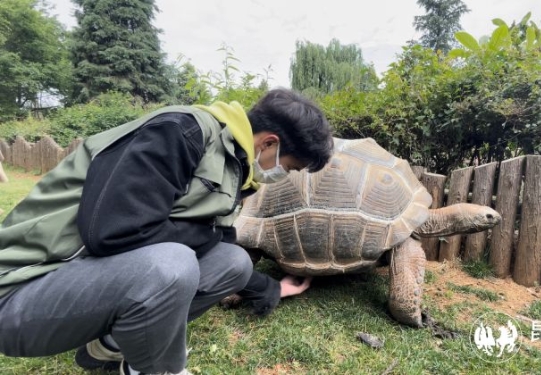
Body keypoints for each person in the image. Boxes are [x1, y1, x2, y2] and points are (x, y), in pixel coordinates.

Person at [0, 88, 334, 375]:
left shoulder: (234, 166)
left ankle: (109, 346)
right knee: (172, 264)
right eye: (288, 167)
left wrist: (272, 288)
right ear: (269, 142)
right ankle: (153, 368)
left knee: (233, 261)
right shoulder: (179, 132)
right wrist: (207, 237)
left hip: (77, 281)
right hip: (20, 293)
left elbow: (214, 240)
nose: (283, 175)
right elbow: (114, 233)